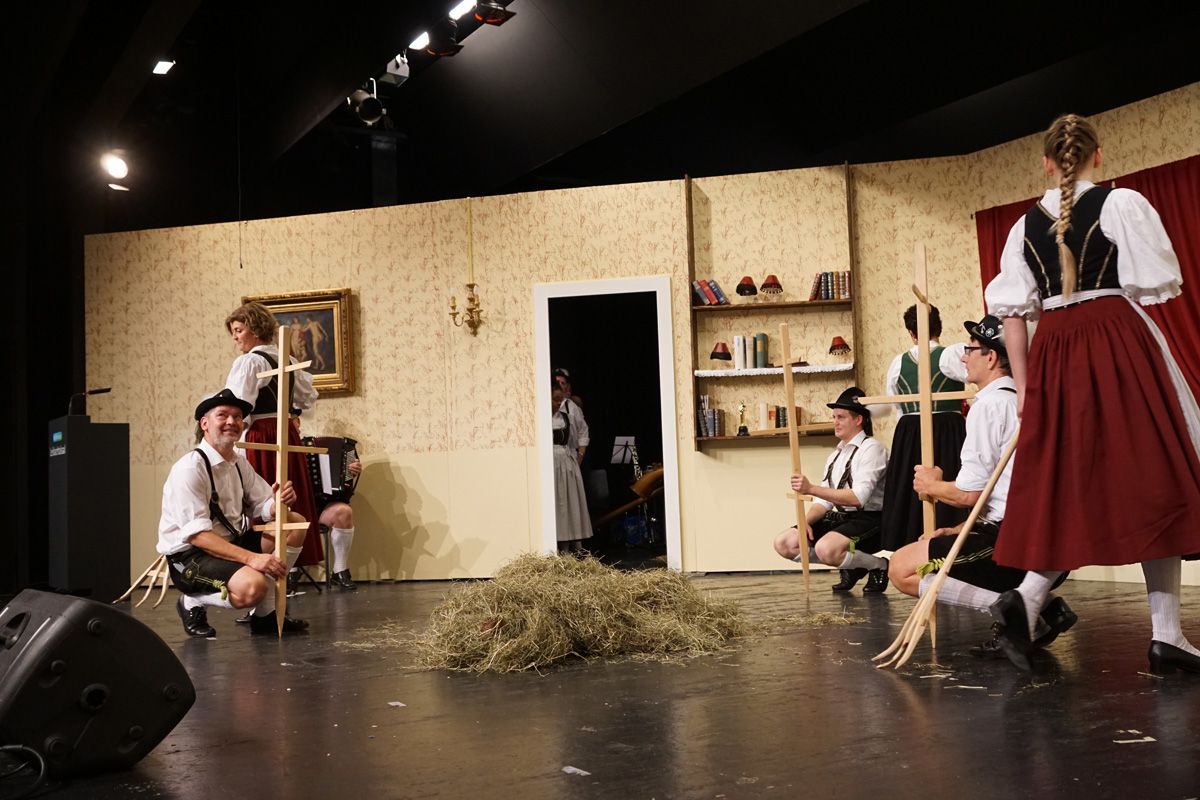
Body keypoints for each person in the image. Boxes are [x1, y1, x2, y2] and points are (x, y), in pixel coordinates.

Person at [985, 113, 1200, 674]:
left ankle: (1030, 599)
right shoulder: (1119, 203)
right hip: (1115, 342)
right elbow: (1151, 286)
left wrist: (1025, 388)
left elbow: (1012, 316)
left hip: (1055, 351)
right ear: (1097, 156)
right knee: (1154, 478)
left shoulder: (1020, 228)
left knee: (1068, 483)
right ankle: (1163, 633)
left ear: (1046, 163)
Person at [887, 317, 1075, 666]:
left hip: (1011, 544)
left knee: (900, 568)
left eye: (970, 349)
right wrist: (959, 528)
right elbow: (1002, 493)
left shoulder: (988, 406)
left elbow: (970, 495)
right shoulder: (1021, 401)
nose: (963, 357)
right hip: (1041, 545)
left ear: (990, 358)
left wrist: (931, 485)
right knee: (928, 547)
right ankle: (1043, 607)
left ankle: (1030, 613)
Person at [157, 389, 310, 637]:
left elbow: (263, 505)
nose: (232, 421)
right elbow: (198, 537)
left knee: (293, 523)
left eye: (237, 416)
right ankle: (191, 600)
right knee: (253, 587)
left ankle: (264, 615)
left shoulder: (238, 462)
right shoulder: (189, 469)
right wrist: (253, 559)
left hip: (231, 542)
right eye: (223, 415)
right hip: (191, 558)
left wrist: (277, 503)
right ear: (204, 423)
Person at [224, 302, 324, 579]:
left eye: (239, 330)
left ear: (255, 329)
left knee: (264, 495)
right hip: (286, 432)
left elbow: (238, 406)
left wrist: (231, 443)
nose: (235, 337)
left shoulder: (250, 362)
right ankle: (286, 567)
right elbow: (306, 400)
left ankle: (263, 566)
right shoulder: (288, 361)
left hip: (262, 435)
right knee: (285, 494)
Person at [773, 387, 890, 593]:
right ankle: (853, 565)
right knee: (785, 543)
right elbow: (825, 501)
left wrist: (811, 488)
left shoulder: (872, 449)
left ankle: (879, 565)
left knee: (825, 549)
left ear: (859, 420)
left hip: (871, 519)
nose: (835, 422)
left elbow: (857, 498)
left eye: (841, 417)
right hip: (843, 518)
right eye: (834, 417)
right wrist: (805, 521)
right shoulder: (836, 455)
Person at [879, 304, 968, 553]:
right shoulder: (952, 354)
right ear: (939, 327)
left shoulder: (898, 363)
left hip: (910, 432)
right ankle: (949, 546)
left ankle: (909, 548)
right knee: (950, 483)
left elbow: (896, 405)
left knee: (911, 493)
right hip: (948, 431)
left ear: (911, 332)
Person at [552, 385, 593, 550]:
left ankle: (574, 545)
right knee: (558, 503)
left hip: (565, 462)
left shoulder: (567, 415)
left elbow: (582, 432)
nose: (558, 403)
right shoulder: (541, 418)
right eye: (555, 399)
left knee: (569, 502)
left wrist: (579, 456)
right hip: (551, 463)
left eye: (560, 399)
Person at [315, 454, 363, 590]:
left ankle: (339, 570)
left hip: (323, 506)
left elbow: (346, 485)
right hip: (298, 504)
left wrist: (352, 470)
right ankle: (291, 571)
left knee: (344, 512)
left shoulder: (346, 449)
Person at [552, 368, 588, 466]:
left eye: (563, 383)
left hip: (570, 459)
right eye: (557, 382)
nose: (559, 385)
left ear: (567, 386)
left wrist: (580, 457)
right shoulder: (545, 406)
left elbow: (583, 432)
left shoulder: (572, 407)